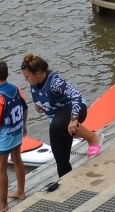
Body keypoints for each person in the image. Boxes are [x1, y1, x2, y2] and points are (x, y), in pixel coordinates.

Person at [21, 54, 100, 186]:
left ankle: (92, 138)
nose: (25, 80)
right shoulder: (34, 82)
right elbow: (39, 94)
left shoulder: (54, 81)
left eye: (27, 77)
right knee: (60, 158)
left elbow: (76, 95)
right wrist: (38, 104)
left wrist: (74, 119)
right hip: (59, 120)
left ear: (38, 73)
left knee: (57, 125)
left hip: (77, 109)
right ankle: (69, 184)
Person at [0, 60, 28, 212]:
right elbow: (25, 108)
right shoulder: (17, 89)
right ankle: (21, 192)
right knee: (17, 159)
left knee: (0, 168)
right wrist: (23, 125)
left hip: (6, 135)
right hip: (17, 131)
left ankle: (2, 204)